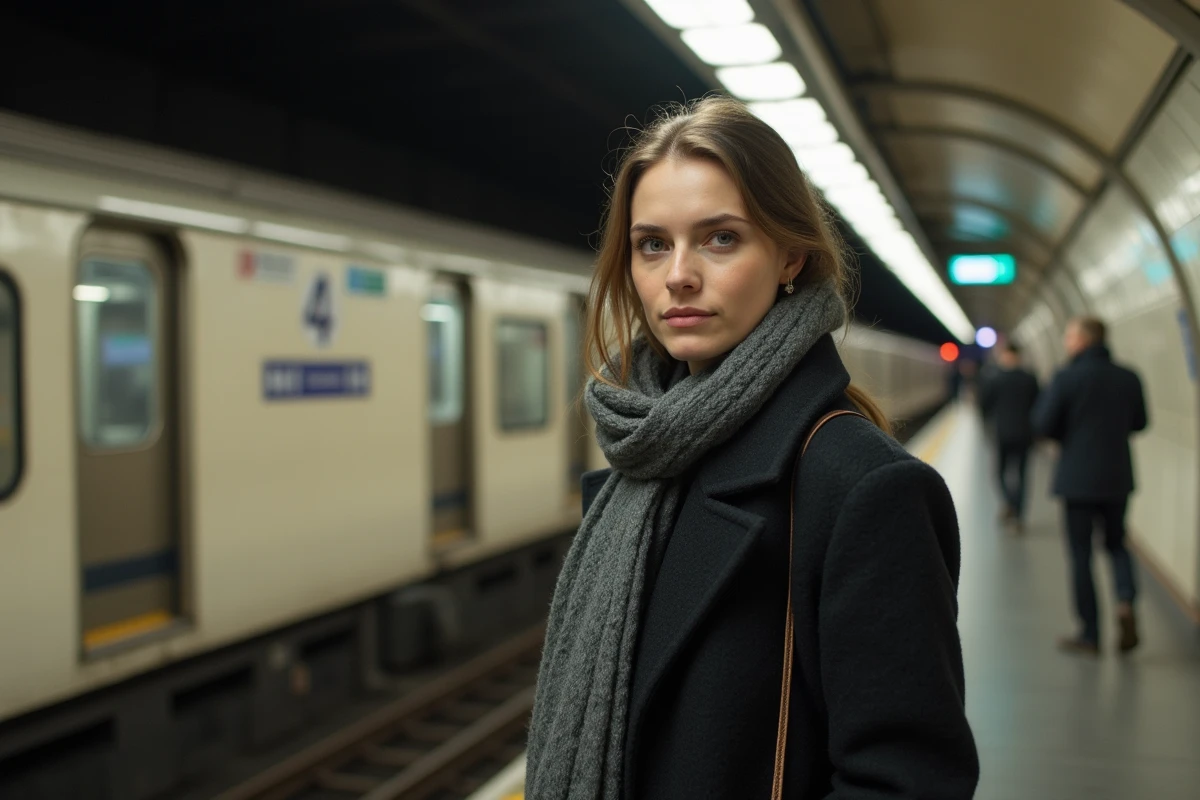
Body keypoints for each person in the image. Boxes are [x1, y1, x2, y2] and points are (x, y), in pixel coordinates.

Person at [526, 98, 978, 800]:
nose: (678, 274)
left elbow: (906, 781)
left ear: (790, 255)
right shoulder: (633, 473)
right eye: (652, 244)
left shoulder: (862, 488)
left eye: (720, 239)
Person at [1033, 316, 1148, 656]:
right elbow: (1140, 422)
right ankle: (1125, 602)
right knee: (1116, 544)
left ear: (1083, 340)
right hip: (1117, 477)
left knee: (1081, 554)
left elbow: (1043, 424)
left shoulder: (1066, 378)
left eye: (1069, 336)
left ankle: (1091, 634)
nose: (1067, 342)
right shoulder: (1129, 376)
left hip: (1078, 480)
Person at [979, 342, 1039, 530]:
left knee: (1000, 472)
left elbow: (984, 405)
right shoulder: (1030, 378)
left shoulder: (994, 378)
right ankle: (1018, 514)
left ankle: (1009, 503)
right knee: (1021, 474)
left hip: (1001, 433)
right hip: (1025, 433)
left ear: (1005, 355)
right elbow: (1039, 405)